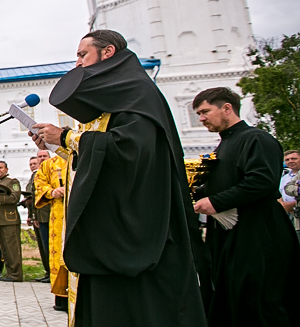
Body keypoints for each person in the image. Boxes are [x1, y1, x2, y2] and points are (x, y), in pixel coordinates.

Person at [31, 29, 205, 326]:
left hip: (134, 233)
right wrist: (59, 145)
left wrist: (67, 136)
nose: (77, 64)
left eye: (82, 55)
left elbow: (130, 153)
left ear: (108, 52)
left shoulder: (136, 91)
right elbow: (99, 159)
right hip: (107, 234)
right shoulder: (113, 98)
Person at [191, 87, 300, 326]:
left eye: (205, 111)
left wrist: (215, 202)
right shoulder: (222, 146)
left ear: (227, 108)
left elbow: (262, 181)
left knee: (261, 300)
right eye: (198, 113)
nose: (201, 118)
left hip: (260, 231)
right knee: (236, 299)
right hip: (232, 233)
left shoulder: (257, 139)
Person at [34, 150, 69, 311]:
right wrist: (52, 192)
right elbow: (39, 182)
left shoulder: (84, 156)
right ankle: (62, 296)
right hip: (59, 212)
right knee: (59, 254)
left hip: (81, 209)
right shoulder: (51, 163)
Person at [0, 160, 23, 282]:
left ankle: (16, 274)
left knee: (12, 249)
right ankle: (9, 273)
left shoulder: (12, 181)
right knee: (5, 249)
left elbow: (15, 197)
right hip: (0, 220)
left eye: (1, 168)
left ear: (6, 169)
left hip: (9, 220)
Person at [25, 151, 51, 283]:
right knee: (43, 246)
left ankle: (53, 273)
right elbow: (33, 196)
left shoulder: (51, 171)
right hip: (39, 215)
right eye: (39, 157)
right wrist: (32, 215)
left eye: (43, 156)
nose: (41, 159)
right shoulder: (36, 176)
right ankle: (48, 271)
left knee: (51, 246)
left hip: (50, 214)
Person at [280, 150, 299, 242]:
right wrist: (283, 204)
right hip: (287, 213)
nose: (290, 161)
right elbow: (278, 193)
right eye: (287, 159)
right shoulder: (285, 177)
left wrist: (293, 204)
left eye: (294, 158)